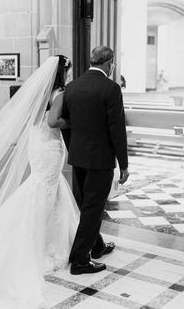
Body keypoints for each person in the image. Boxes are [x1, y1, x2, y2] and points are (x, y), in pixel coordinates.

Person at [0, 56, 79, 308]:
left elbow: (35, 120)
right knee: (46, 190)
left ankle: (45, 241)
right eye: (68, 72)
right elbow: (53, 122)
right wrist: (72, 122)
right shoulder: (59, 93)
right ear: (62, 74)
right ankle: (45, 249)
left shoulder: (40, 93)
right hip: (49, 145)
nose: (70, 76)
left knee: (41, 187)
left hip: (37, 142)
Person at [60, 46, 129, 275]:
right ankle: (80, 261)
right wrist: (124, 165)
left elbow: (66, 125)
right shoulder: (111, 89)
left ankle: (97, 246)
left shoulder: (71, 87)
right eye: (114, 63)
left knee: (88, 207)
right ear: (109, 63)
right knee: (93, 209)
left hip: (78, 157)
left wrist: (74, 150)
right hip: (100, 160)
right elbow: (117, 130)